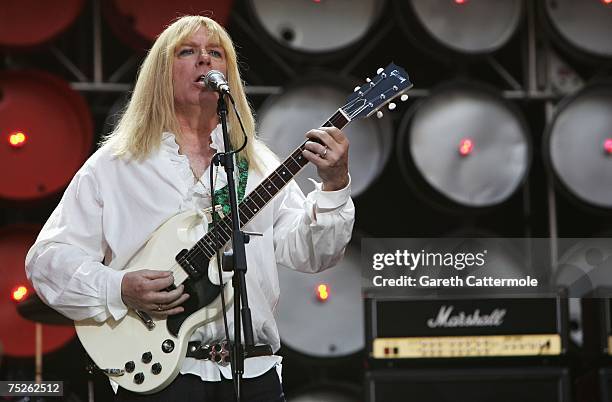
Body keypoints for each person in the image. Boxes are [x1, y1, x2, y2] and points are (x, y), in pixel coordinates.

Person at [25, 15, 354, 402]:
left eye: (216, 53)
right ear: (160, 74)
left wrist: (334, 186)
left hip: (254, 373)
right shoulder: (115, 165)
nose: (204, 60)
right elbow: (47, 261)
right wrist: (119, 287)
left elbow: (312, 254)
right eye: (188, 51)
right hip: (160, 374)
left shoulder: (259, 164)